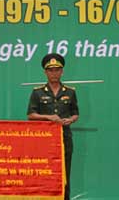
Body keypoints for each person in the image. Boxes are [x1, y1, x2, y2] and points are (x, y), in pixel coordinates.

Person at [27, 53, 79, 200]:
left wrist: (71, 119)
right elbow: (31, 115)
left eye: (57, 70)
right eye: (51, 70)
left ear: (62, 71)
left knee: (64, 173)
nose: (54, 73)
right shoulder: (37, 92)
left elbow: (75, 113)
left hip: (64, 138)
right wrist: (49, 117)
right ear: (45, 72)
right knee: (45, 172)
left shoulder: (70, 91)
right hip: (45, 140)